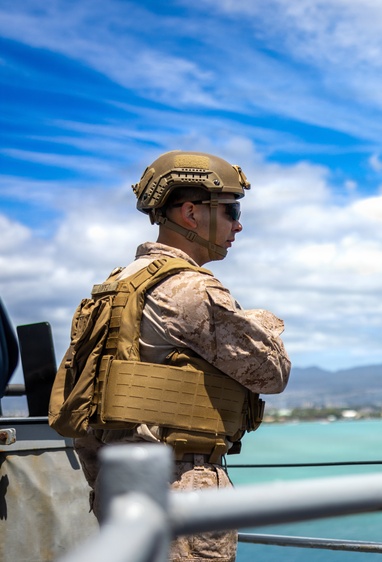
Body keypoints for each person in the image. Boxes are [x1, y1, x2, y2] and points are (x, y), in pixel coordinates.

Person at [53, 150, 291, 562]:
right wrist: (262, 322)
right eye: (231, 210)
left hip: (122, 481)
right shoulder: (192, 290)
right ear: (190, 213)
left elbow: (88, 408)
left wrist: (105, 482)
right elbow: (273, 373)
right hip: (182, 486)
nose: (238, 224)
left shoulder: (115, 287)